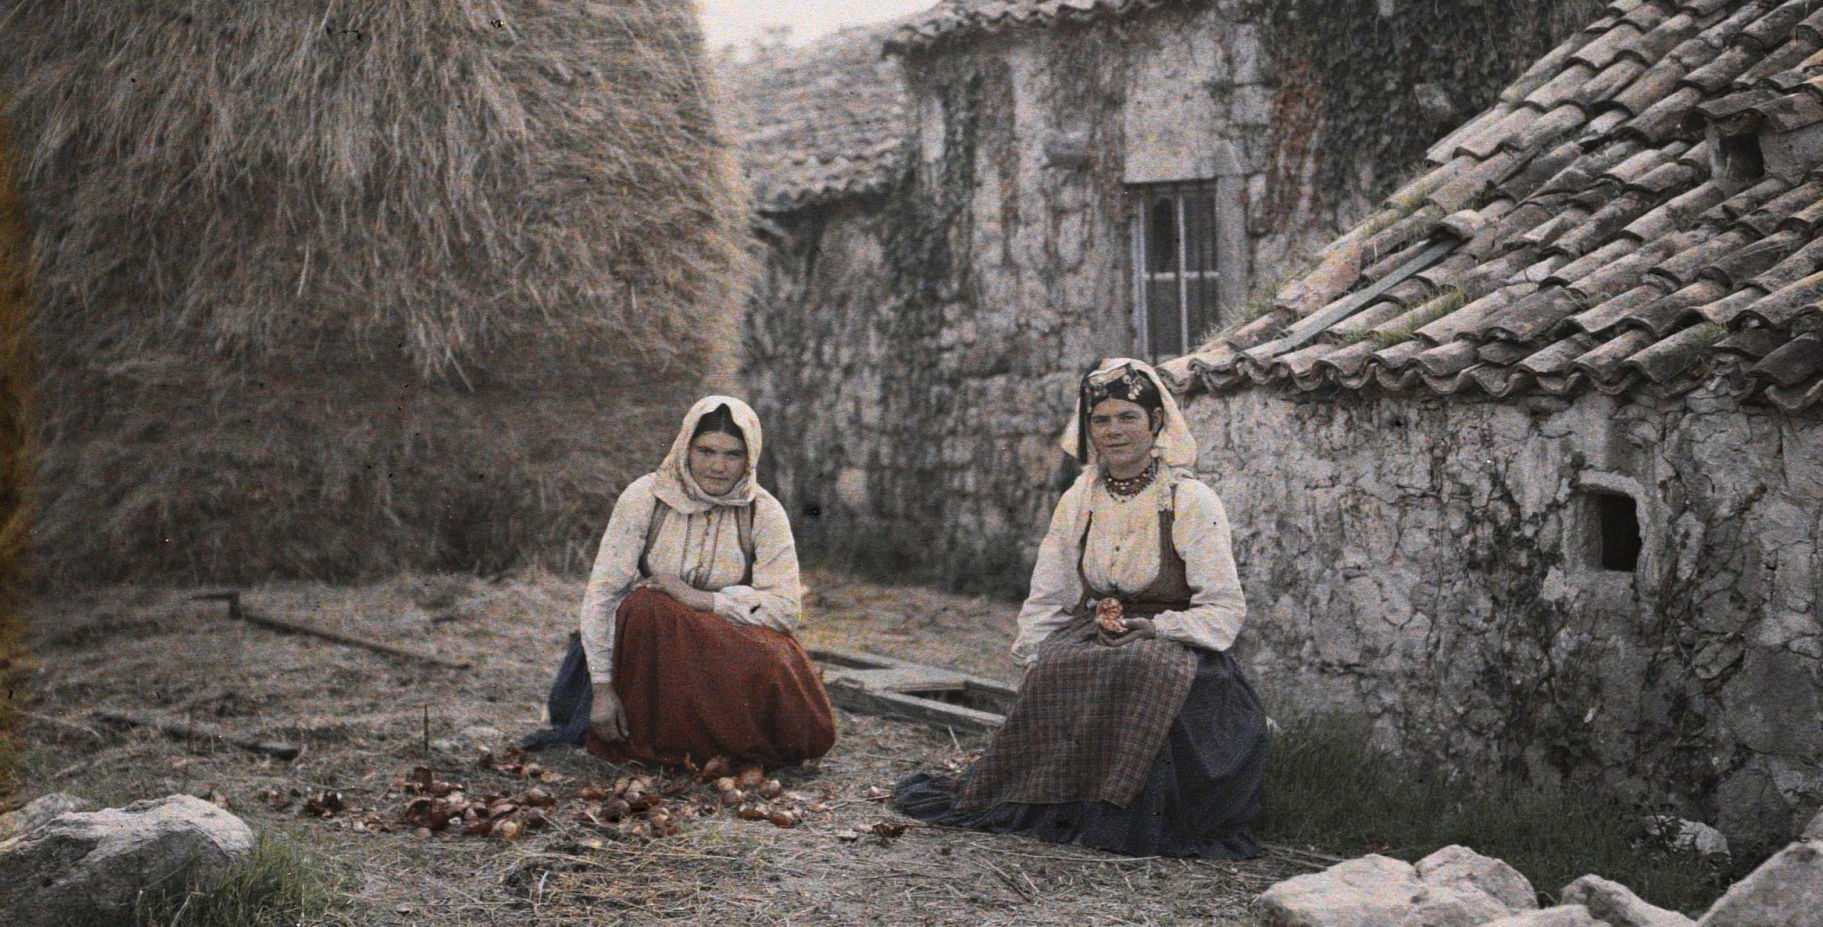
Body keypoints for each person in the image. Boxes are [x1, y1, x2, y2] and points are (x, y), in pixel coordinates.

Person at [893, 358, 1268, 857]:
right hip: (1102, 629)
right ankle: (1063, 802)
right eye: (1101, 420)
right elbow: (1051, 589)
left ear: (1156, 422)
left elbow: (1223, 607)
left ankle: (1126, 813)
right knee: (1060, 661)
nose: (1114, 431)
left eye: (1128, 417)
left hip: (1175, 643)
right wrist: (1033, 652)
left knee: (1142, 664)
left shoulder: (1190, 499)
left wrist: (1159, 628)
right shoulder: (1081, 497)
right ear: (1088, 429)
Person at [523, 395, 837, 767]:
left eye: (733, 455)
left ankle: (718, 743)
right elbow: (602, 595)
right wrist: (602, 690)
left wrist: (701, 599)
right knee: (645, 606)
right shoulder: (646, 497)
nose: (718, 466)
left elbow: (785, 610)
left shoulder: (763, 511)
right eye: (706, 451)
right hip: (651, 652)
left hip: (724, 641)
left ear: (749, 458)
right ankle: (668, 743)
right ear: (685, 448)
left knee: (793, 699)